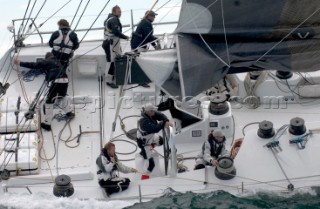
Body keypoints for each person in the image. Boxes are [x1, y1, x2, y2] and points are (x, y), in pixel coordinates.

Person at [13, 52, 75, 131]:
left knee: (49, 101)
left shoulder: (47, 61)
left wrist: (19, 63)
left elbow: (34, 65)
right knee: (62, 96)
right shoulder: (58, 61)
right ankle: (69, 113)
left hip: (56, 81)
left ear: (47, 57)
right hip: (65, 80)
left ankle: (47, 124)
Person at [136, 103, 173, 178]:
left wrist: (166, 120)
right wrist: (164, 123)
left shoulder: (150, 113)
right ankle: (146, 175)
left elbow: (161, 115)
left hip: (151, 136)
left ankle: (150, 146)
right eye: (152, 111)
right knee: (151, 163)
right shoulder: (144, 122)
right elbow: (155, 129)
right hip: (144, 141)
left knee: (161, 141)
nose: (154, 112)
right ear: (149, 112)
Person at [102, 5, 129, 89]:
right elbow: (116, 31)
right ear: (114, 12)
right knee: (111, 61)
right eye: (118, 11)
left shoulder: (109, 19)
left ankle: (111, 76)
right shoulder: (114, 20)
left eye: (120, 11)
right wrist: (125, 37)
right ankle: (108, 81)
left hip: (112, 43)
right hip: (111, 44)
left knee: (113, 60)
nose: (120, 13)